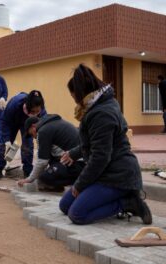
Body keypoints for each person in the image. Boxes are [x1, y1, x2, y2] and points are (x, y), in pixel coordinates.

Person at [59, 64, 152, 225]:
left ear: (83, 93)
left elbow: (100, 156)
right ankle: (108, 199)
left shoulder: (101, 113)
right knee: (65, 205)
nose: (75, 101)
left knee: (77, 214)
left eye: (74, 97)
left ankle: (128, 202)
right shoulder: (98, 104)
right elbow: (94, 144)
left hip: (118, 176)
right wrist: (73, 153)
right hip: (104, 171)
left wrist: (80, 185)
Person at [18, 114, 84, 191]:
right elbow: (46, 158)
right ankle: (58, 185)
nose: (34, 137)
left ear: (33, 126)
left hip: (78, 163)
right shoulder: (53, 123)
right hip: (81, 161)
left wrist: (30, 179)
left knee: (44, 178)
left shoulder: (43, 131)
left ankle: (79, 181)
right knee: (50, 160)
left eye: (31, 134)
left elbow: (42, 162)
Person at [0, 90, 47, 180]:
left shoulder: (41, 109)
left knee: (27, 145)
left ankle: (27, 172)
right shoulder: (14, 104)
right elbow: (5, 122)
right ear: (28, 107)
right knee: (4, 146)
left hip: (27, 124)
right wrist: (7, 140)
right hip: (12, 121)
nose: (36, 113)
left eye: (37, 111)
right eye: (33, 111)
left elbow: (44, 124)